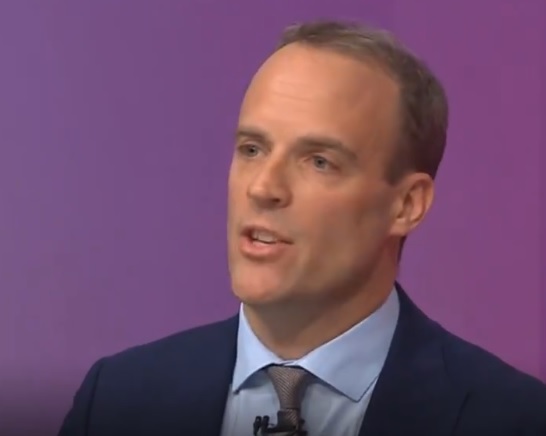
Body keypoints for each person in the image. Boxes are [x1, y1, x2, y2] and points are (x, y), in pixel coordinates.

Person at [58, 20, 546, 436]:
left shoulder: (514, 419)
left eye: (318, 161)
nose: (263, 188)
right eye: (252, 149)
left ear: (406, 205)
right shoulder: (116, 399)